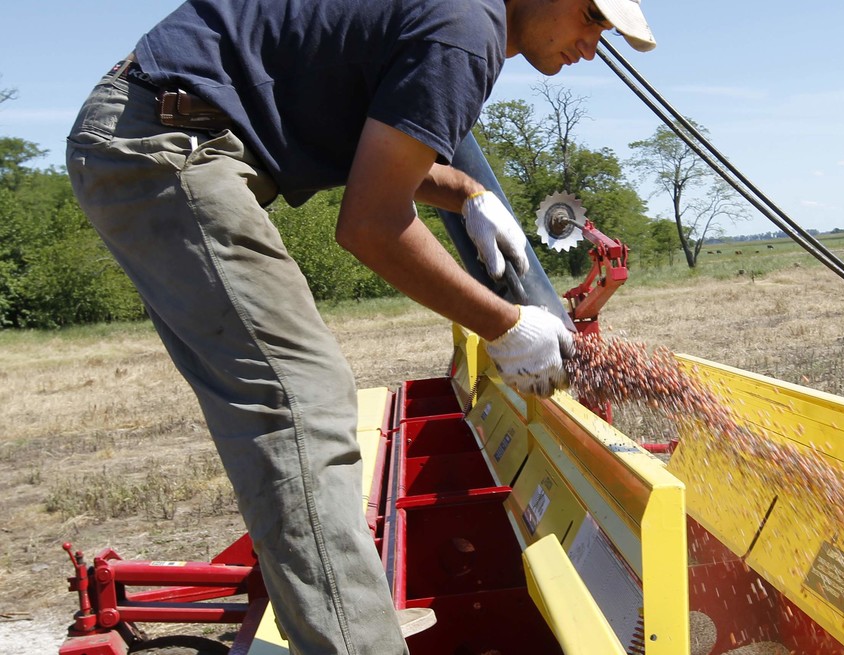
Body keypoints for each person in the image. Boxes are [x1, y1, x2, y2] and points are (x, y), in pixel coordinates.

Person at [64, 0, 655, 653]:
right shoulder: (466, 31)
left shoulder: (454, 16)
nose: (592, 45)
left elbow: (368, 147)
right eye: (591, 16)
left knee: (299, 396)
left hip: (163, 126)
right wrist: (508, 326)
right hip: (170, 142)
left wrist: (465, 193)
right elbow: (370, 223)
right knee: (300, 402)